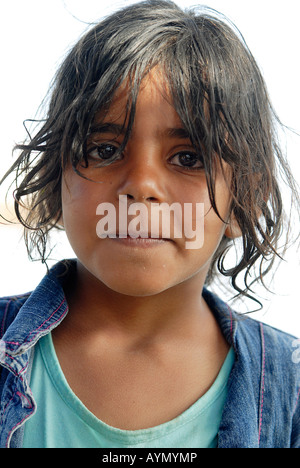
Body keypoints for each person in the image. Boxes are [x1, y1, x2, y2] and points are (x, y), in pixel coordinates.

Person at [0, 0, 299, 448]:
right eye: (104, 149)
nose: (140, 186)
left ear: (243, 201)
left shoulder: (289, 389)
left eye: (188, 158)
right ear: (55, 181)